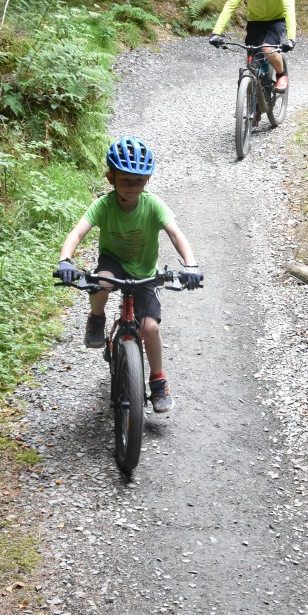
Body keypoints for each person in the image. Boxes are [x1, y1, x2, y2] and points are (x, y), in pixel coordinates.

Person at [55, 137, 200, 414]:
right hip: (114, 262)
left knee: (150, 328)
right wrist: (65, 260)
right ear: (111, 179)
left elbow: (175, 233)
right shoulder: (104, 205)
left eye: (138, 181)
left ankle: (158, 381)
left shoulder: (153, 204)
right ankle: (96, 318)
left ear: (147, 180)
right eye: (125, 180)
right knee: (101, 283)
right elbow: (77, 233)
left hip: (144, 270)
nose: (132, 187)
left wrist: (190, 265)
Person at [210, 0, 296, 90]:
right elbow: (230, 5)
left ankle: (281, 74)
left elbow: (289, 9)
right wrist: (216, 33)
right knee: (252, 61)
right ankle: (255, 103)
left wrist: (291, 38)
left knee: (267, 49)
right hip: (255, 21)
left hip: (277, 19)